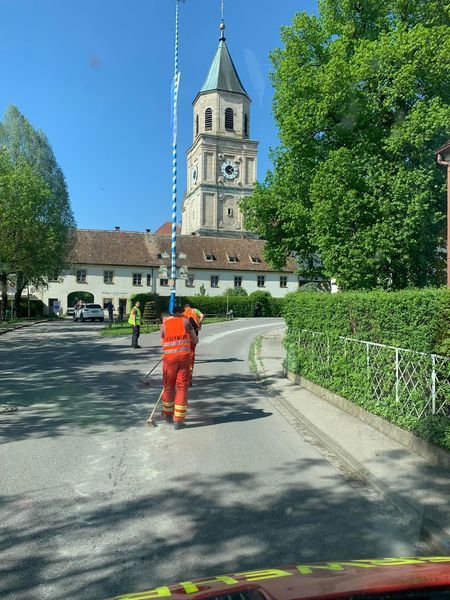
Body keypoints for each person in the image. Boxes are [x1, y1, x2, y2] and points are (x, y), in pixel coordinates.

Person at [160, 306, 198, 430]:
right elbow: (196, 340)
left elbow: (163, 345)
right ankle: (179, 420)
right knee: (181, 387)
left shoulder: (164, 325)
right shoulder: (186, 322)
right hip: (183, 359)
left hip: (169, 360)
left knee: (168, 386)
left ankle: (167, 415)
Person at [183, 303, 204, 386]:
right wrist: (200, 324)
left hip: (184, 336)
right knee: (191, 353)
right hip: (195, 331)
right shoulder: (195, 310)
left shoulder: (183, 313)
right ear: (189, 306)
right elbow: (202, 315)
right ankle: (189, 379)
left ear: (184, 308)